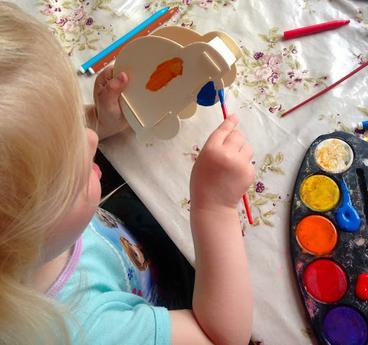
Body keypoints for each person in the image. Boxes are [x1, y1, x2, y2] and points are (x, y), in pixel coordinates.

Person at [0, 2, 254, 344]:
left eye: (75, 126)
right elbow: (221, 338)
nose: (92, 140)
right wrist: (215, 208)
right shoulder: (85, 330)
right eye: (73, 168)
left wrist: (102, 122)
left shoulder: (23, 239)